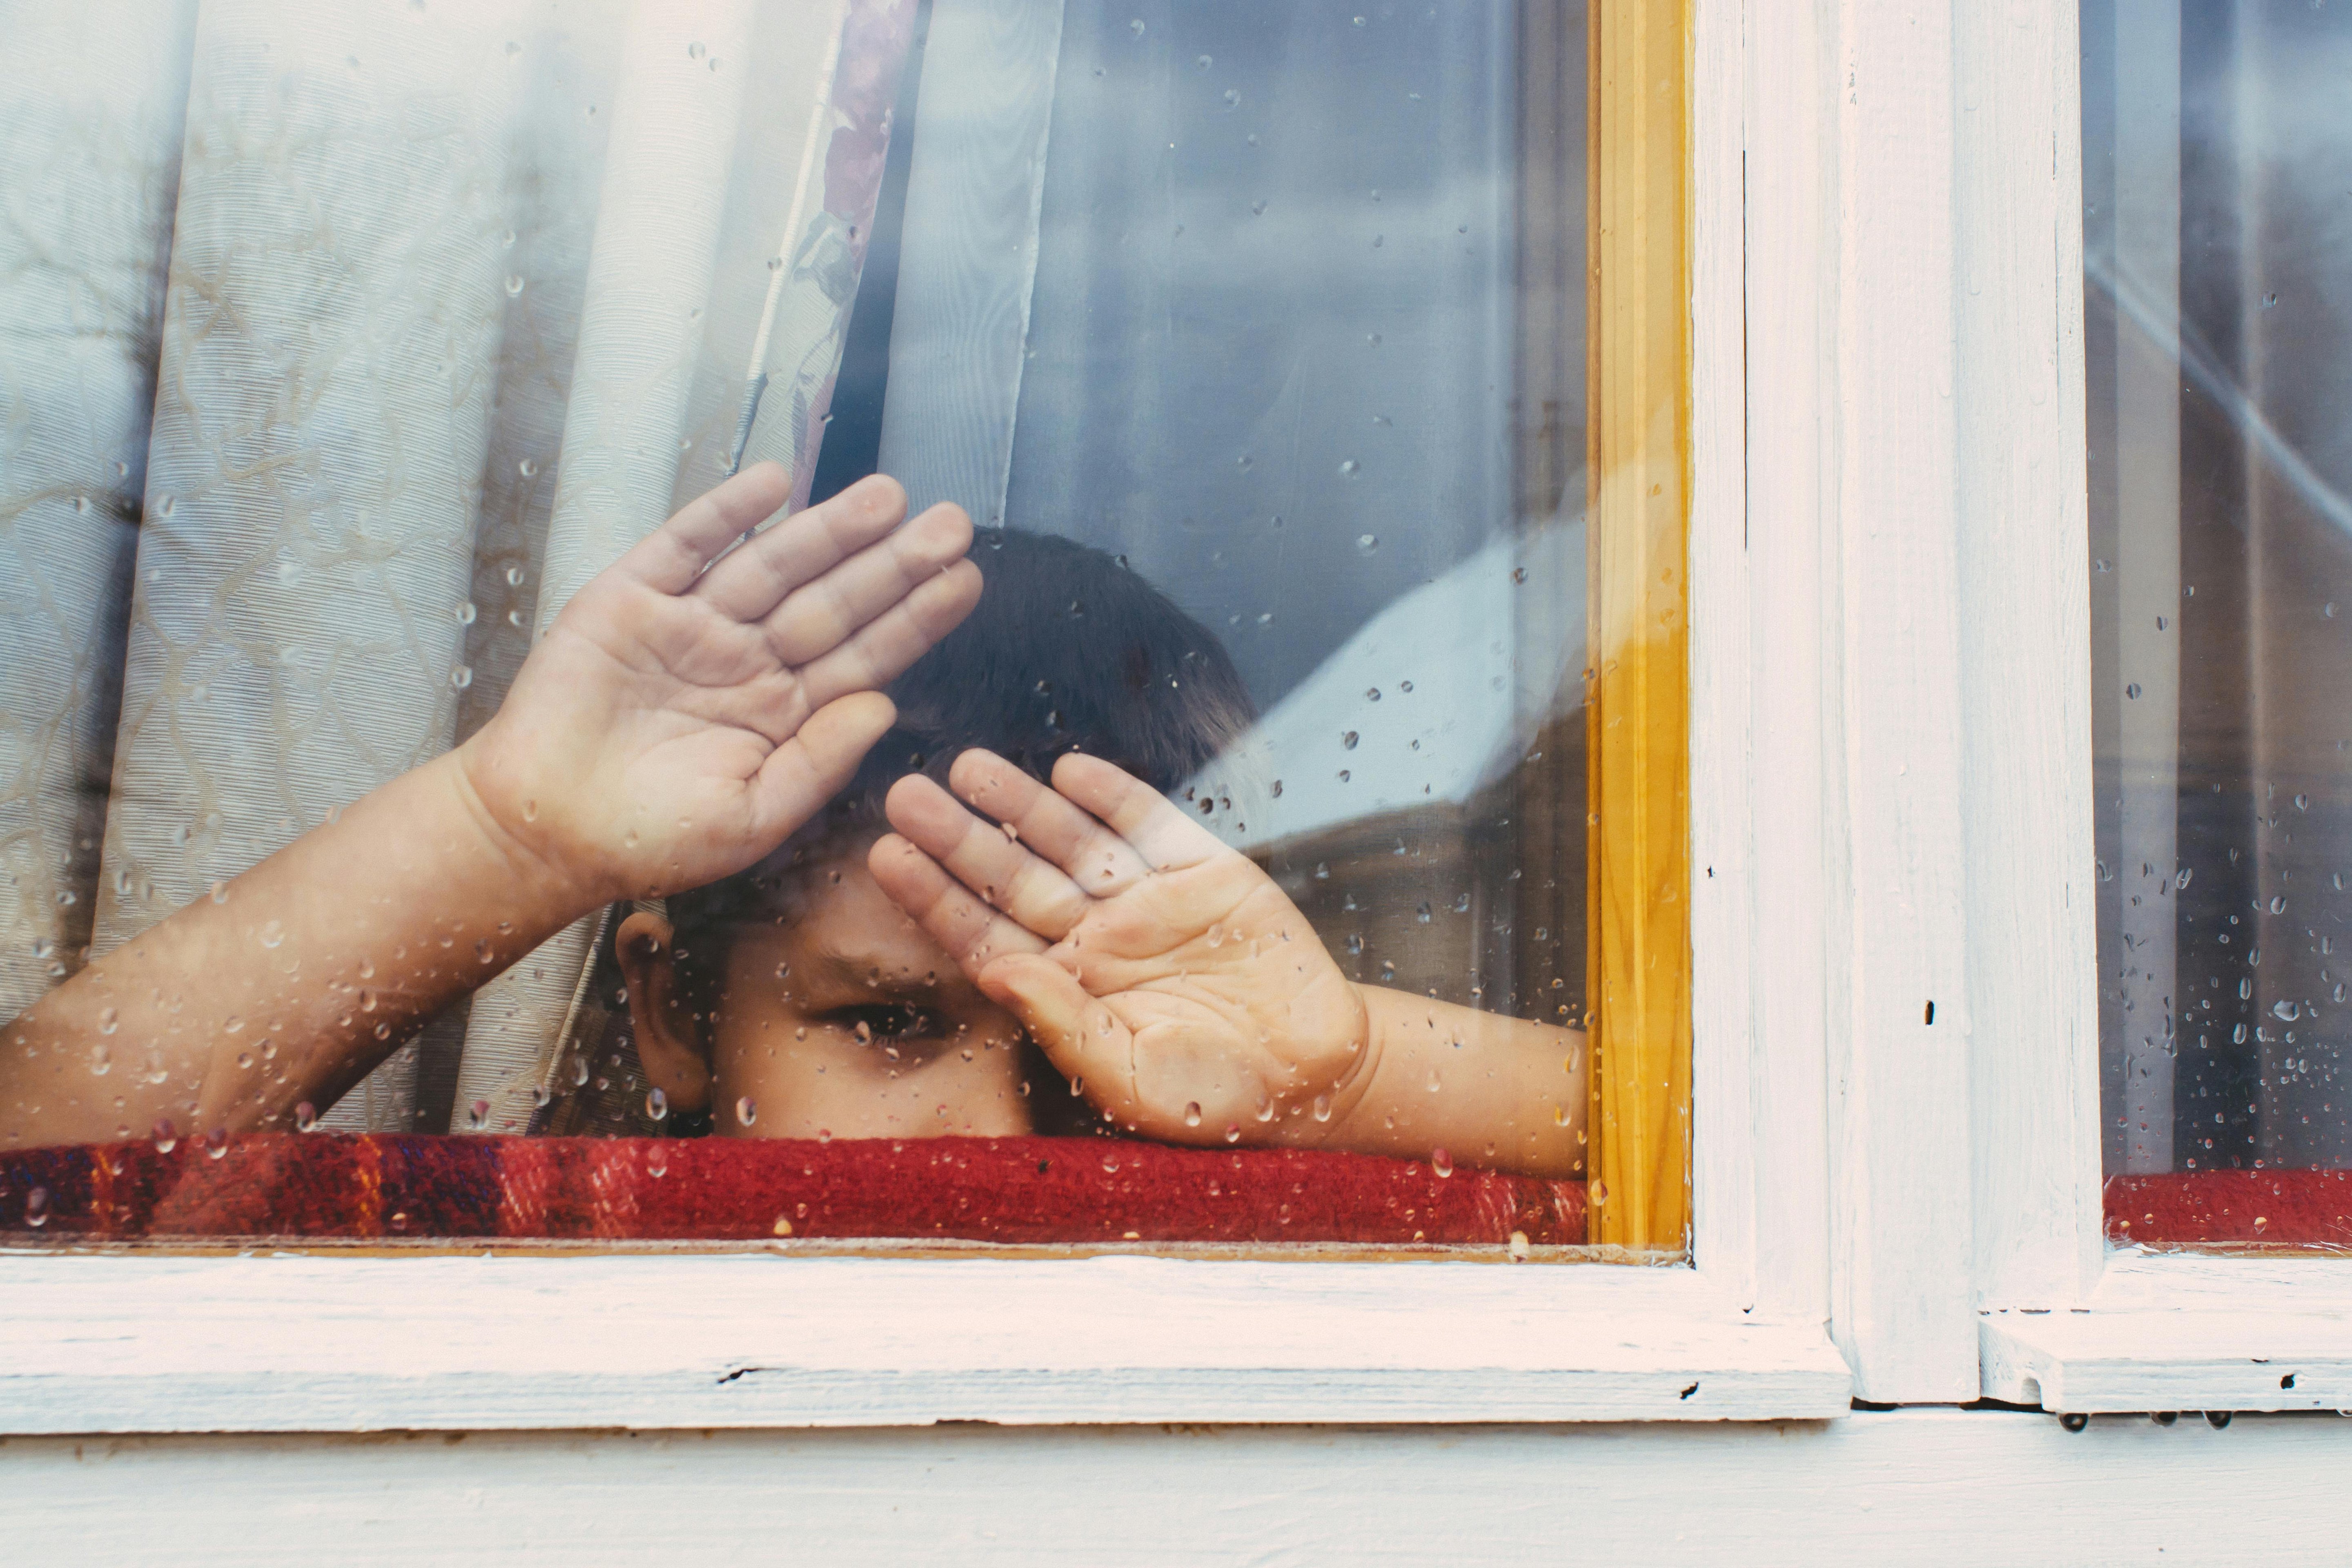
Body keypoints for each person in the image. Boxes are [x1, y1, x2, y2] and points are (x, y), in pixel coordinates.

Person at [0, 466, 1585, 1177]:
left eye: (1066, 1049)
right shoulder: (546, 1281)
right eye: (890, 1021)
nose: (999, 1139)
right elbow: (38, 1162)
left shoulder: (1274, 1244)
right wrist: (508, 840)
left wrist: (1350, 1075)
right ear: (668, 1017)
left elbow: (1785, 1206)